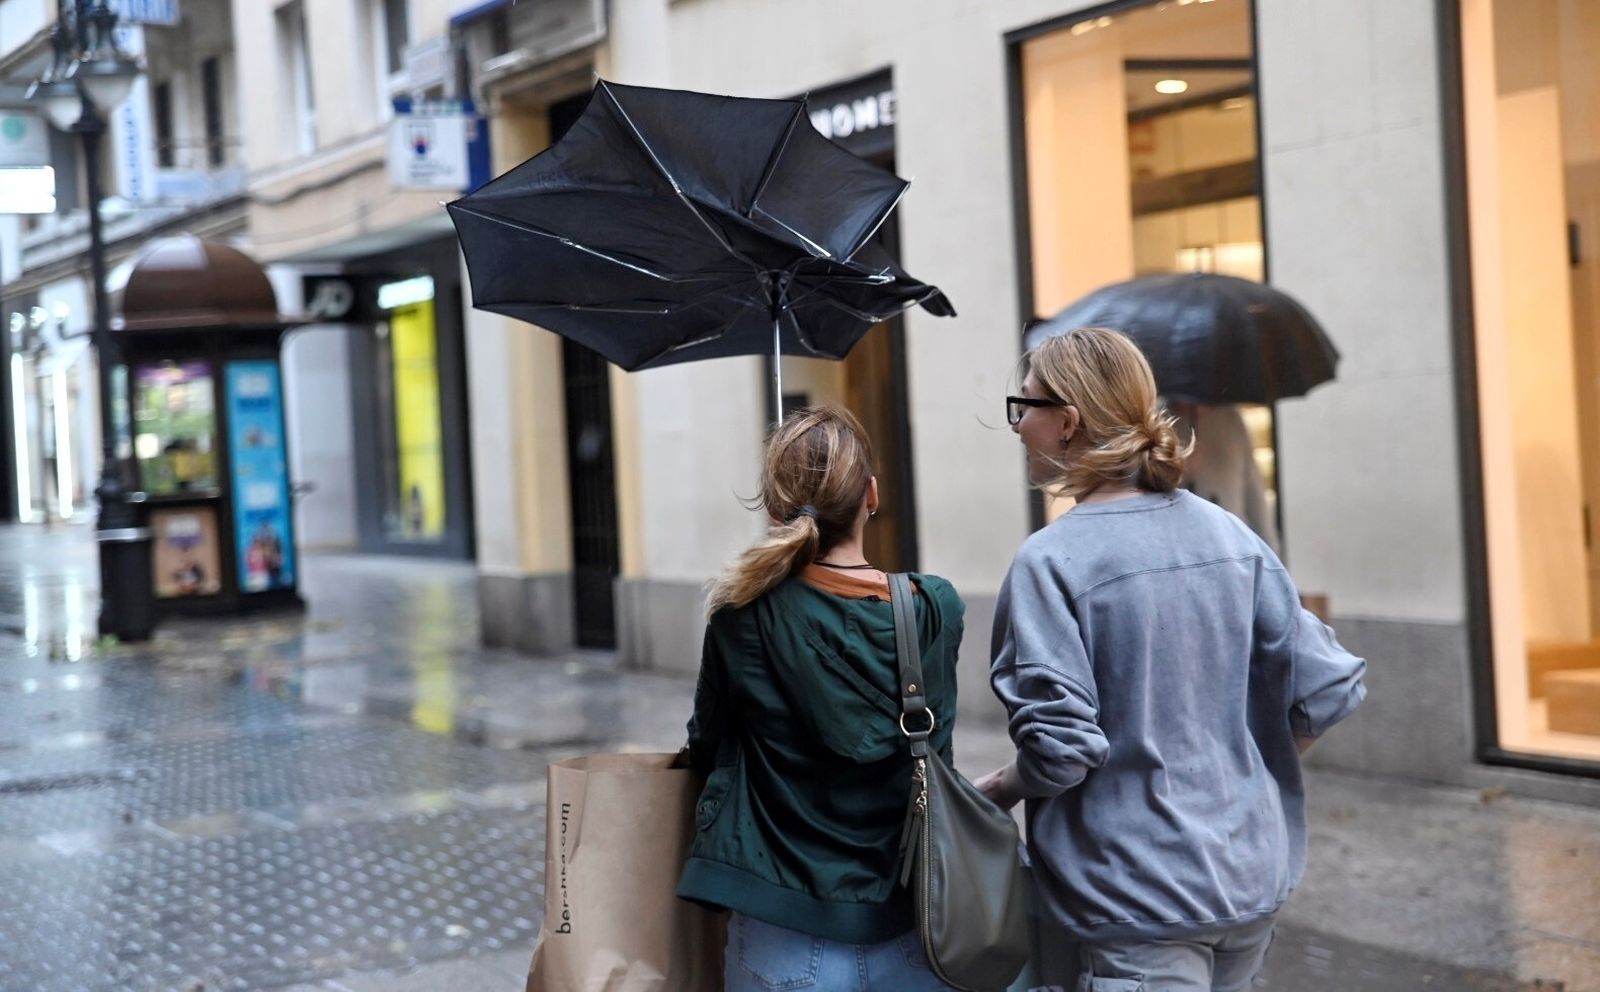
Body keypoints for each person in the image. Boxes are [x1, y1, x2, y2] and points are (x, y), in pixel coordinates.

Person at [977, 327, 1367, 992]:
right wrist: (1246, 772)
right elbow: (1327, 685)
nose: (1018, 427)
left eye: (1027, 407)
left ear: (1067, 422)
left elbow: (1062, 750)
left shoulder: (1052, 561)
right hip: (1247, 875)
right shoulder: (1226, 533)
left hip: (1137, 894)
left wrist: (996, 790)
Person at [677, 406, 965, 992]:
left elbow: (705, 746)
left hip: (780, 931)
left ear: (776, 510)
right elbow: (939, 748)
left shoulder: (742, 617)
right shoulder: (935, 608)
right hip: (916, 929)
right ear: (872, 496)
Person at [1168, 400, 1280, 553]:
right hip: (1182, 548)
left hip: (1233, 547)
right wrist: (1180, 470)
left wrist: (1271, 551)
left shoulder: (1231, 419)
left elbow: (1254, 494)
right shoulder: (1159, 422)